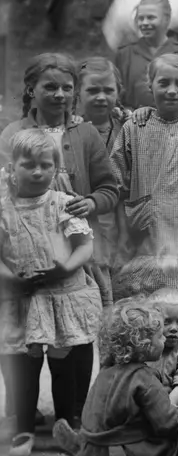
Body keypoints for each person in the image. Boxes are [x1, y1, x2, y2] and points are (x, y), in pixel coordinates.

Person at [0, 128, 101, 456]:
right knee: (21, 363)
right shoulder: (4, 208)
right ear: (12, 167)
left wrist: (66, 267)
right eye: (29, 165)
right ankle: (23, 425)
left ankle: (68, 422)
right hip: (21, 297)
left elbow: (84, 245)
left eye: (45, 165)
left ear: (56, 168)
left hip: (63, 294)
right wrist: (11, 277)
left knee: (67, 360)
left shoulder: (64, 204)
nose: (38, 171)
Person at [0, 54, 120, 304]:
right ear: (32, 90)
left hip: (81, 251)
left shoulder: (86, 134)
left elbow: (109, 188)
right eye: (50, 87)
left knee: (84, 322)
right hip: (30, 250)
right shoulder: (13, 134)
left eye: (67, 88)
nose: (60, 95)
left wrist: (90, 203)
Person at [110, 54, 178, 318]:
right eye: (163, 82)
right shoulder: (135, 125)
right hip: (144, 229)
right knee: (140, 310)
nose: (172, 90)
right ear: (150, 85)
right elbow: (115, 181)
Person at [53, 298, 178, 456]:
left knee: (104, 434)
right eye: (160, 337)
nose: (164, 340)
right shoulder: (143, 378)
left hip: (98, 449)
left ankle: (84, 448)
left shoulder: (105, 372)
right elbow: (167, 423)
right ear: (144, 344)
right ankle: (88, 449)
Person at [76, 56, 128, 309]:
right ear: (78, 92)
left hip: (124, 229)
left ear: (118, 92)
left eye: (108, 90)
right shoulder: (70, 132)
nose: (101, 97)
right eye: (92, 90)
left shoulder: (128, 129)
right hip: (87, 228)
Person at [113, 0, 178, 118]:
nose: (144, 23)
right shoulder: (125, 55)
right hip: (138, 129)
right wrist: (126, 112)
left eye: (151, 18)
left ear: (166, 19)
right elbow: (115, 97)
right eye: (141, 18)